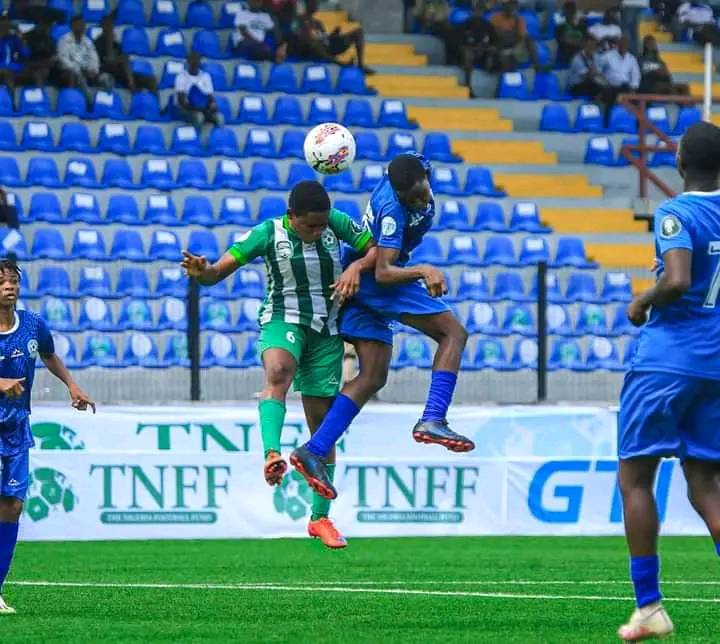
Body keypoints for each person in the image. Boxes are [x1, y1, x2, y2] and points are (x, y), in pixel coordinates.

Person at [180, 181, 376, 549]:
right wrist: (203, 272)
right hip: (282, 319)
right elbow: (219, 271)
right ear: (291, 217)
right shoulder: (267, 233)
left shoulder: (336, 221)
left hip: (326, 330)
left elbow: (375, 250)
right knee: (278, 373)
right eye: (311, 227)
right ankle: (272, 453)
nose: (319, 232)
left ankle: (320, 519)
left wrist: (358, 268)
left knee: (323, 428)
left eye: (322, 227)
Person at [290, 153, 474, 501]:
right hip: (380, 283)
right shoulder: (393, 210)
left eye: (423, 192)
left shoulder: (411, 168)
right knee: (453, 333)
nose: (422, 201)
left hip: (360, 276)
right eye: (414, 200)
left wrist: (356, 266)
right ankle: (433, 417)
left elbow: (372, 249)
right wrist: (424, 270)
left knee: (373, 375)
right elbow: (385, 270)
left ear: (424, 175)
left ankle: (315, 449)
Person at [616, 121, 720, 640]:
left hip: (666, 363)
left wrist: (641, 301)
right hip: (716, 365)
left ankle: (650, 606)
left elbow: (676, 280)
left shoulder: (676, 212)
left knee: (636, 478)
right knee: (706, 486)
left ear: (679, 165)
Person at [0, 259, 95, 614]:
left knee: (12, 505)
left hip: (15, 427)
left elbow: (49, 354)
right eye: (2, 281)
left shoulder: (33, 325)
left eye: (13, 280)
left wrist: (73, 386)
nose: (10, 286)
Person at [293, 0, 374, 73]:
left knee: (358, 32)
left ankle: (361, 65)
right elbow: (300, 38)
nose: (316, 5)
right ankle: (339, 63)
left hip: (327, 48)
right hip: (312, 50)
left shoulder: (318, 23)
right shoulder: (300, 20)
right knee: (314, 44)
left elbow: (326, 39)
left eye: (316, 3)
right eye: (314, 3)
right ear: (307, 4)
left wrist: (334, 34)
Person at [94, 14, 157, 94]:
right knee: (124, 58)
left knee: (151, 80)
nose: (110, 28)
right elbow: (108, 61)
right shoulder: (97, 43)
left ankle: (155, 104)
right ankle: (132, 85)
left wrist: (112, 41)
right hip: (106, 74)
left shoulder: (116, 43)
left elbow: (120, 61)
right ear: (102, 27)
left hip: (121, 74)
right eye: (108, 25)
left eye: (111, 25)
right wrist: (109, 40)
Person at [58, 15, 111, 108]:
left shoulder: (88, 41)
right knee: (80, 78)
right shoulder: (64, 40)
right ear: (72, 26)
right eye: (79, 24)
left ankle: (105, 105)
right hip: (70, 72)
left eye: (83, 24)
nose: (82, 26)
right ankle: (89, 102)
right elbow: (63, 60)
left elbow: (95, 59)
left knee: (106, 78)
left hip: (87, 71)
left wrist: (92, 70)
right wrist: (79, 70)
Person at [173, 50, 223, 129]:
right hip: (185, 109)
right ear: (188, 63)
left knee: (220, 118)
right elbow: (182, 102)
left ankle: (215, 139)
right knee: (199, 117)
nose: (195, 65)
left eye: (197, 62)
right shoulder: (181, 77)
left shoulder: (206, 76)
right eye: (192, 63)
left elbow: (210, 97)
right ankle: (197, 139)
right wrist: (199, 109)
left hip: (203, 108)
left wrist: (211, 105)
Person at [489, 0, 541, 72]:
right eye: (510, 4)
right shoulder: (495, 18)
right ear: (504, 6)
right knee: (506, 57)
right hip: (501, 48)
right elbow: (493, 36)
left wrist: (516, 22)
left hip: (515, 47)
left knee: (530, 40)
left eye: (514, 4)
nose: (513, 7)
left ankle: (537, 68)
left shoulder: (519, 19)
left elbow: (522, 37)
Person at [460, 0, 496, 93]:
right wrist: (474, 48)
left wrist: (486, 48)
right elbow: (461, 43)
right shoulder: (466, 24)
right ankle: (468, 85)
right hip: (470, 51)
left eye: (481, 10)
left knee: (493, 53)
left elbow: (494, 42)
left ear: (483, 12)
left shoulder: (488, 25)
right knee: (468, 54)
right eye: (476, 10)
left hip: (483, 52)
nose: (478, 12)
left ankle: (494, 89)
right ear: (472, 11)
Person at [567, 36, 607, 100]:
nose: (591, 48)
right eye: (589, 46)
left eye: (593, 46)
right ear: (585, 46)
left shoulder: (596, 56)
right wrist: (593, 71)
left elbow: (599, 72)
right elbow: (585, 76)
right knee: (595, 87)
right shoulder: (577, 59)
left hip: (590, 83)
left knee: (607, 87)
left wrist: (596, 72)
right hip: (576, 85)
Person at [0, 15, 29, 95]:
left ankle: (11, 102)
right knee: (7, 73)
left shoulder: (13, 38)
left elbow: (26, 54)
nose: (7, 27)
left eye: (8, 25)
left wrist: (21, 38)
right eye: (4, 25)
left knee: (9, 73)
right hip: (2, 66)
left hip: (13, 66)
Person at [555, 1, 587, 67]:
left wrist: (571, 40)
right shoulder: (560, 26)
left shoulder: (582, 26)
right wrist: (577, 41)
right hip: (567, 54)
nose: (564, 13)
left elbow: (584, 42)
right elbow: (563, 41)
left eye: (566, 11)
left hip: (580, 53)